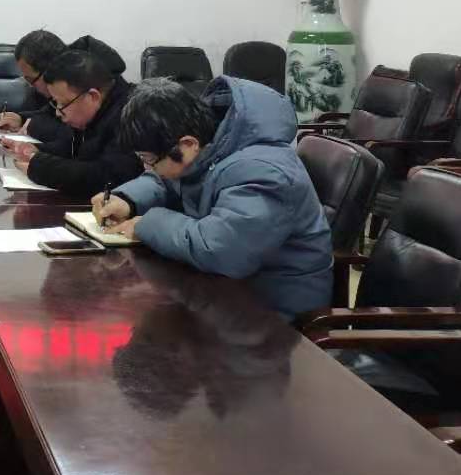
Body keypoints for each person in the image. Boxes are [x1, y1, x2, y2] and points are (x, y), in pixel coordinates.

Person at [92, 77, 332, 319]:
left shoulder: (264, 172)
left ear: (187, 145)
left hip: (274, 314)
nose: (148, 167)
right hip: (225, 294)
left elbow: (222, 251)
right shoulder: (211, 137)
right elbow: (168, 180)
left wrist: (147, 224)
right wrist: (127, 199)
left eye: (149, 159)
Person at [0, 48, 141, 198]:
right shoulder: (96, 110)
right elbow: (76, 149)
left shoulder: (132, 116)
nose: (58, 112)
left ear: (92, 96)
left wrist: (41, 168)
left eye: (63, 104)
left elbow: (107, 178)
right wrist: (35, 151)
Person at [0, 30, 127, 143]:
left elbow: (79, 139)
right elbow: (48, 112)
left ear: (49, 71)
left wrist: (34, 128)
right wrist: (22, 119)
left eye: (31, 81)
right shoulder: (63, 86)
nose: (32, 87)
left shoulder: (97, 89)